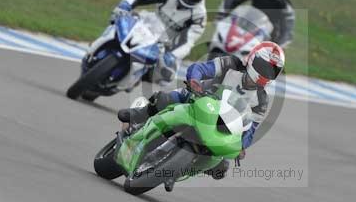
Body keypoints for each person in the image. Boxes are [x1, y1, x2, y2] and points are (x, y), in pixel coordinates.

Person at [117, 41, 285, 179]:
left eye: (272, 70)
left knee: (221, 167)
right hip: (198, 98)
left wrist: (241, 146)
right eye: (263, 66)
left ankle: (178, 170)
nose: (265, 73)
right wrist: (195, 81)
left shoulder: (262, 100)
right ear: (252, 58)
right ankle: (137, 115)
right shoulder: (231, 63)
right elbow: (202, 69)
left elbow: (250, 129)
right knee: (164, 99)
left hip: (219, 125)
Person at [110, 0, 209, 83]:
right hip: (146, 23)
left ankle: (136, 78)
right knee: (117, 21)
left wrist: (172, 55)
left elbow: (188, 41)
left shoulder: (200, 16)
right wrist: (126, 4)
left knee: (167, 77)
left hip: (165, 44)